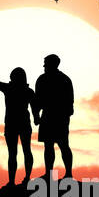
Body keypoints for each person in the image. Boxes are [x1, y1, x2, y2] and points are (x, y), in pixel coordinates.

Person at [34, 53, 75, 181]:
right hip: (53, 116)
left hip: (56, 117)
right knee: (52, 146)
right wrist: (36, 115)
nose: (44, 66)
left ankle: (65, 173)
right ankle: (52, 174)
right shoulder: (63, 79)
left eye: (46, 63)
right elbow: (37, 101)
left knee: (60, 145)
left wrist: (36, 115)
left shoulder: (61, 79)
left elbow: (69, 102)